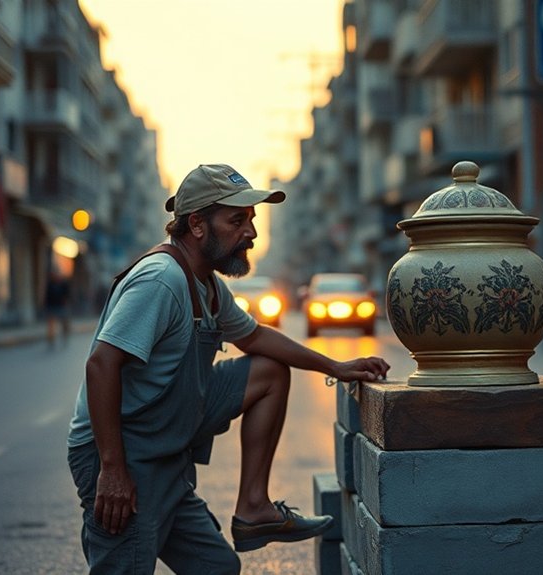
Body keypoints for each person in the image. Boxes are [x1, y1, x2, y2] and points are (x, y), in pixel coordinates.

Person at [67, 164, 390, 574]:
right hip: (125, 454)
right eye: (237, 221)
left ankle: (253, 506)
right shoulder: (160, 280)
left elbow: (255, 337)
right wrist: (113, 470)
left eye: (251, 220)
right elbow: (101, 365)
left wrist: (335, 366)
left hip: (165, 446)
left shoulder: (205, 283)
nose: (250, 233)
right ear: (196, 225)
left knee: (217, 567)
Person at [44, 270, 72, 347]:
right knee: (51, 325)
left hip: (61, 306)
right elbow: (47, 296)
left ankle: (65, 336)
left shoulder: (64, 284)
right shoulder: (50, 284)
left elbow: (67, 295)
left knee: (64, 323)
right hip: (52, 306)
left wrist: (66, 302)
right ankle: (51, 340)